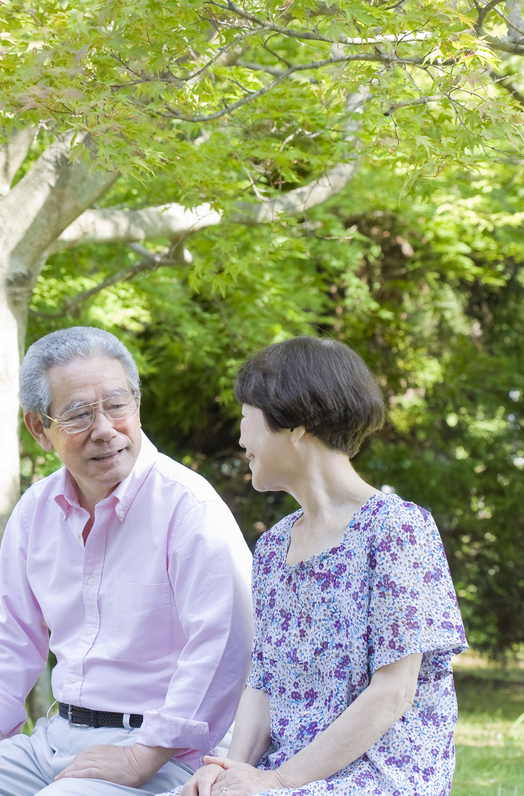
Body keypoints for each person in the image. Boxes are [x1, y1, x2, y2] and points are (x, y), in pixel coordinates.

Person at [0, 326, 254, 796]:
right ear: (40, 429)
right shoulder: (35, 510)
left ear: (137, 405)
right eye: (79, 414)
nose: (105, 430)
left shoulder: (189, 507)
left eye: (117, 406)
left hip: (168, 753)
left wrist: (142, 757)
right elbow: (9, 630)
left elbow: (225, 648)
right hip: (55, 742)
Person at [172, 337, 467, 796]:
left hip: (378, 775)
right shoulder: (271, 548)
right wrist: (232, 770)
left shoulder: (398, 529)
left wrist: (277, 782)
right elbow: (264, 680)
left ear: (295, 423)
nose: (241, 438)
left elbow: (393, 694)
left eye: (247, 418)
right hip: (286, 773)